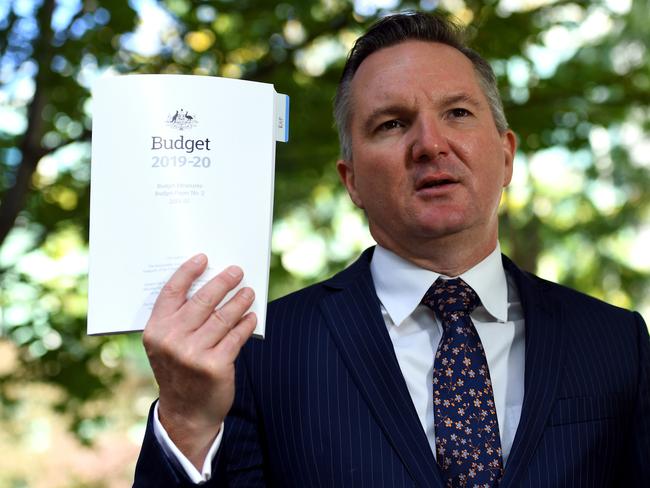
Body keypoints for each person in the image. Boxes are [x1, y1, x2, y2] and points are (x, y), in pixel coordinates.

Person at [134, 11, 650, 487]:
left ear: (507, 155)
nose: (430, 143)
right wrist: (185, 420)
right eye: (392, 124)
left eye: (458, 113)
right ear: (351, 180)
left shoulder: (616, 342)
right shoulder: (260, 353)